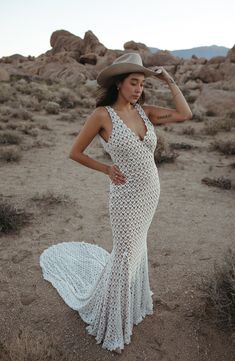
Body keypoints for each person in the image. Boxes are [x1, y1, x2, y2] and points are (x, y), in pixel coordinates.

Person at [39, 52, 192, 354]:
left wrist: (170, 81)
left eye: (141, 84)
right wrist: (107, 168)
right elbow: (76, 152)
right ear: (119, 84)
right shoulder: (102, 116)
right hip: (125, 197)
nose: (138, 89)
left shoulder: (145, 112)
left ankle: (130, 304)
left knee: (138, 250)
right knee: (124, 253)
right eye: (133, 82)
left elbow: (185, 114)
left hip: (150, 194)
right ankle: (113, 321)